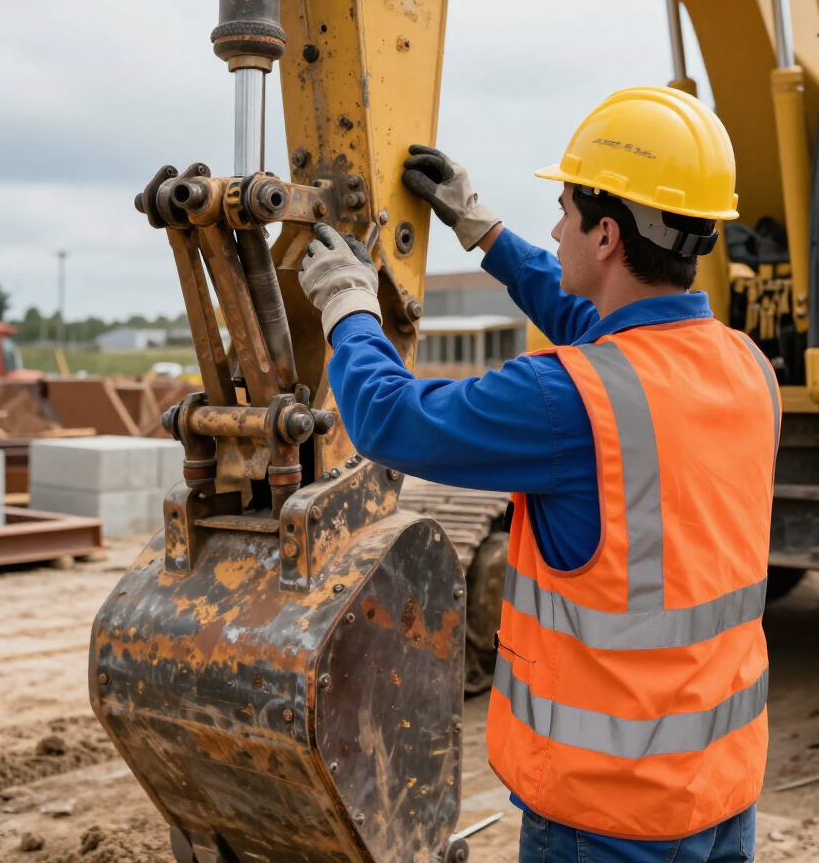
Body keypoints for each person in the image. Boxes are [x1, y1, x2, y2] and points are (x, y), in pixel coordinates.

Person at [298, 86, 778, 863]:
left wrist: (349, 306)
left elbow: (389, 419)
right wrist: (483, 232)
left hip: (607, 818)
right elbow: (606, 326)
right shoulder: (746, 367)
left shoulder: (567, 400)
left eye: (565, 211)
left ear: (608, 235)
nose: (554, 228)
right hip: (719, 792)